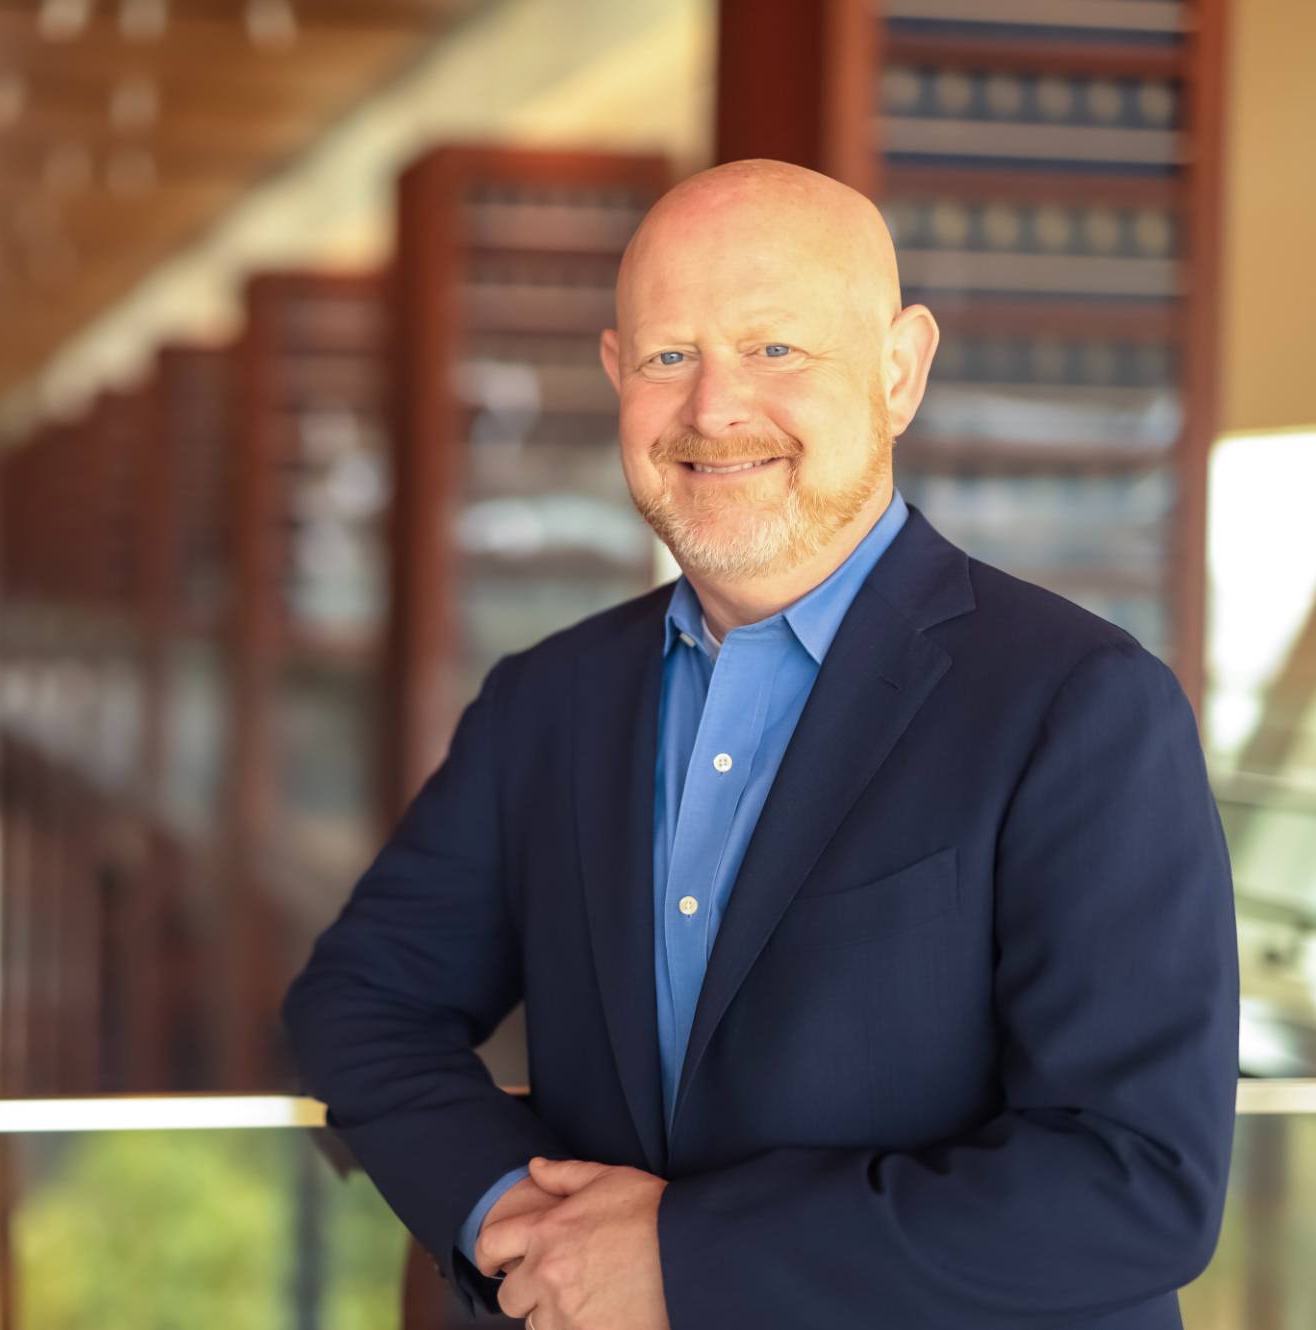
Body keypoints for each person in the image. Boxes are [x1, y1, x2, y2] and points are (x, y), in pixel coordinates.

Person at [281, 159, 1238, 1329]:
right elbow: (361, 998)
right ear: (611, 375)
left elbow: (1134, 1186)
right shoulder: (551, 698)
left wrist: (679, 1260)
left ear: (898, 370)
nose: (713, 409)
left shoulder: (1081, 705)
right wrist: (512, 1216)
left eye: (774, 348)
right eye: (666, 356)